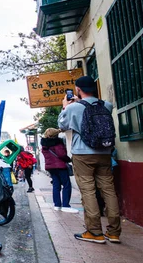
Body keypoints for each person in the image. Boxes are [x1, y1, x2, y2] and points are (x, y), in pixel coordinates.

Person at [58, 75, 121, 244]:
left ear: (77, 90)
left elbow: (62, 126)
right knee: (109, 190)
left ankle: (94, 232)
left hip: (83, 154)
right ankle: (114, 232)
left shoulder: (73, 108)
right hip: (105, 153)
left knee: (88, 191)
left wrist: (65, 107)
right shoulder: (106, 105)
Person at [41, 128, 78, 213]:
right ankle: (65, 205)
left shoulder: (44, 145)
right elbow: (62, 154)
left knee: (56, 185)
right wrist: (68, 159)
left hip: (50, 167)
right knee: (66, 185)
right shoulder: (57, 143)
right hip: (60, 166)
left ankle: (57, 205)